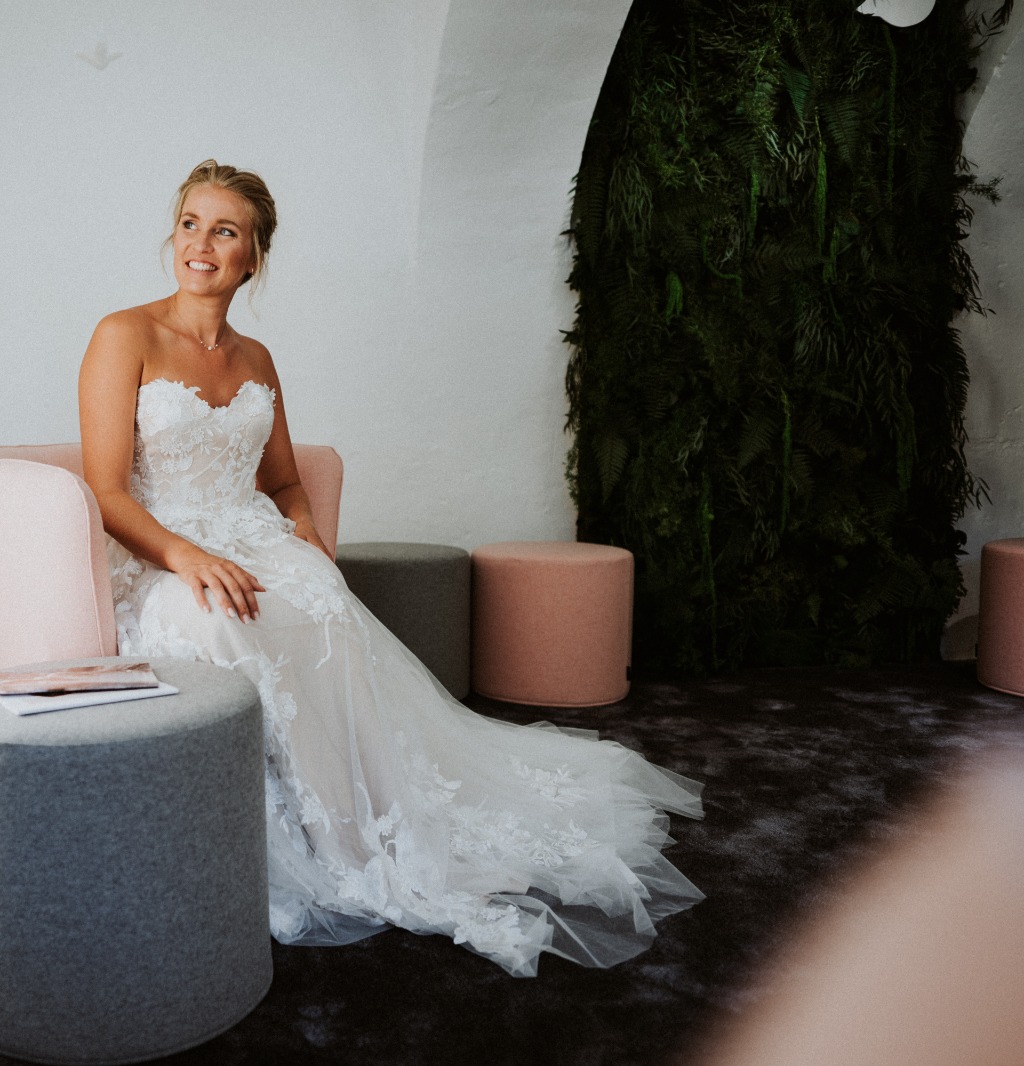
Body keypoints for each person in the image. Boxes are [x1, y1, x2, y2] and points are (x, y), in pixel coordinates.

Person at [79, 159, 704, 976]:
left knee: (324, 603)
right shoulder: (123, 334)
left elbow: (284, 481)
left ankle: (361, 818)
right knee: (225, 622)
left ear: (253, 257)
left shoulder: (257, 358)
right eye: (190, 224)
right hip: (162, 553)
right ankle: (286, 836)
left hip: (254, 538)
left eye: (224, 231)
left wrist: (306, 534)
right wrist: (189, 556)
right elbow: (106, 491)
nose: (200, 243)